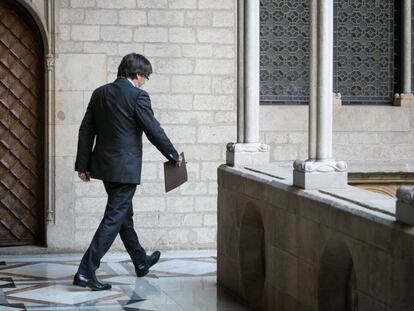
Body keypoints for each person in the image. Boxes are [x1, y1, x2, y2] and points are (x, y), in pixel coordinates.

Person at [72, 53, 182, 291]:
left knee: (123, 216)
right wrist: (173, 155)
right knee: (114, 218)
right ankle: (85, 271)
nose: (145, 82)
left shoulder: (99, 93)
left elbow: (85, 130)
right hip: (125, 169)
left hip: (103, 166)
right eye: (146, 77)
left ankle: (140, 261)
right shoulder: (138, 96)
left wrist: (83, 164)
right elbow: (153, 129)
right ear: (137, 75)